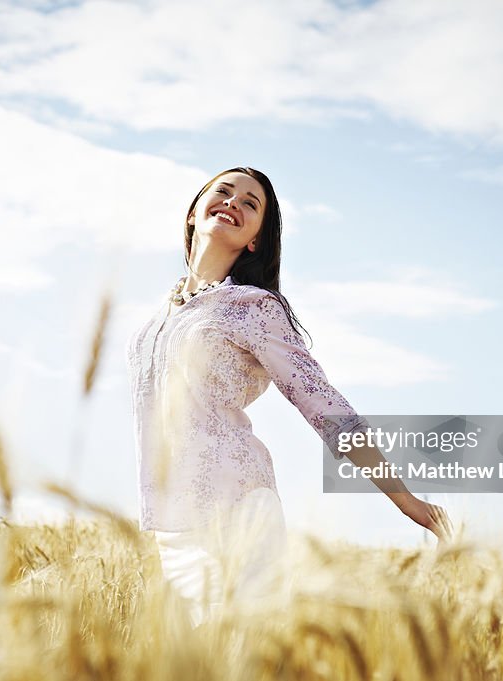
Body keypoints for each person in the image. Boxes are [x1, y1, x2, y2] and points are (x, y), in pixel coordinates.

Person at [126, 167, 451, 625]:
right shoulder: (158, 316)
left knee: (244, 656)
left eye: (250, 203)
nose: (233, 202)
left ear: (256, 240)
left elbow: (323, 404)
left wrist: (407, 500)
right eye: (223, 192)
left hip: (238, 509)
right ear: (194, 214)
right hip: (173, 524)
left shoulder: (255, 308)